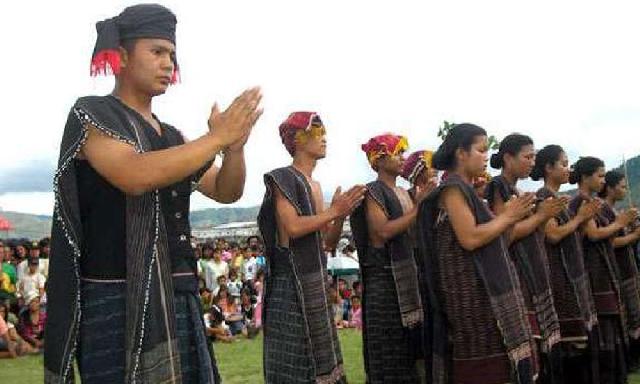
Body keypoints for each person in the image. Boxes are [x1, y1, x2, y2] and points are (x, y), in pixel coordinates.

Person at [45, 4, 262, 383]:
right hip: (117, 296)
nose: (168, 64)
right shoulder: (92, 114)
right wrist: (216, 138)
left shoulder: (173, 137)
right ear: (123, 56)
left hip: (179, 292)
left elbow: (226, 191)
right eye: (157, 51)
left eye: (172, 55)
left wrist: (235, 148)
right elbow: (133, 174)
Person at [416, 123, 537, 384]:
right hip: (470, 296)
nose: (485, 156)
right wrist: (508, 217)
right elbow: (470, 238)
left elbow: (496, 239)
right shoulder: (452, 189)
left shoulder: (466, 189)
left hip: (483, 294)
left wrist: (510, 218)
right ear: (461, 152)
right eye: (481, 150)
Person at [258, 111, 365, 383]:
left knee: (322, 362)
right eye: (318, 132)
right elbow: (293, 227)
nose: (324, 138)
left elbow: (327, 242)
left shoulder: (315, 185)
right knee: (294, 365)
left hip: (314, 281)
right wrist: (334, 211)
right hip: (291, 281)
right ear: (297, 139)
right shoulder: (283, 178)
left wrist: (340, 215)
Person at [485, 134, 564, 382]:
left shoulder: (519, 191)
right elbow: (504, 235)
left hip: (534, 274)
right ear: (508, 158)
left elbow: (534, 233)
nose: (532, 162)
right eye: (527, 157)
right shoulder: (497, 186)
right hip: (518, 276)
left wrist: (543, 216)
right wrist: (540, 217)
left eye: (534, 157)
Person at [350, 133, 425, 383]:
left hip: (409, 278)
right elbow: (382, 233)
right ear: (379, 160)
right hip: (385, 280)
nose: (403, 158)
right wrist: (418, 210)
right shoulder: (374, 191)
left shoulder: (405, 192)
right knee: (388, 350)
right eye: (398, 153)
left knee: (411, 352)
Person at [532, 145, 600, 383]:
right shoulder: (544, 196)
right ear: (549, 168)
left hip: (570, 272)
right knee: (569, 346)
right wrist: (581, 218)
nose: (567, 168)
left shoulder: (559, 198)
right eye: (563, 163)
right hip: (558, 276)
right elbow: (553, 235)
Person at [568, 156, 635, 383]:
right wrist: (621, 224)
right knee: (603, 335)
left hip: (606, 274)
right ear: (586, 177)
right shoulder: (580, 202)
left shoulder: (593, 202)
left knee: (612, 332)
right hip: (594, 277)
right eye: (600, 175)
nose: (603, 180)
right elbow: (593, 234)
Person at [599, 170, 640, 371]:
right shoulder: (604, 211)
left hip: (627, 269)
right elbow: (611, 242)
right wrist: (634, 236)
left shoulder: (614, 211)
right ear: (610, 188)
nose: (625, 190)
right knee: (630, 315)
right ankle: (631, 359)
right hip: (618, 272)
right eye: (622, 187)